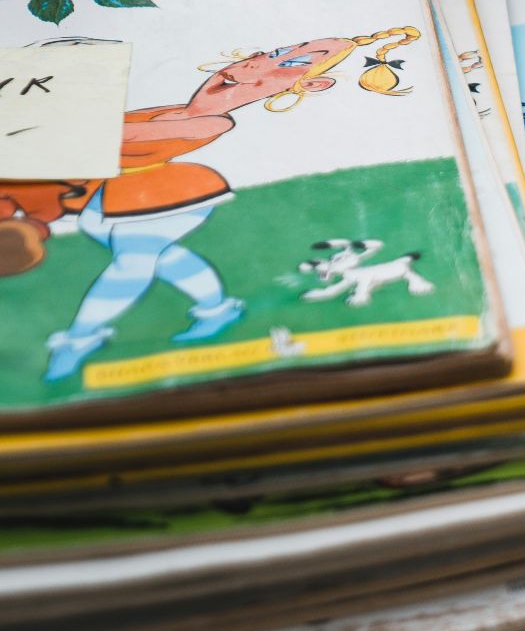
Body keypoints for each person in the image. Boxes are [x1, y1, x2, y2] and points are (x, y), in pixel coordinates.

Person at [29, 27, 419, 380]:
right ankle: (218, 310)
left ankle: (79, 339)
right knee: (163, 258)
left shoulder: (213, 121)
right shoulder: (171, 108)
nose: (257, 63)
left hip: (166, 198)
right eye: (275, 50)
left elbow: (114, 135)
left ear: (309, 85)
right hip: (110, 198)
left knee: (134, 262)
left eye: (291, 64)